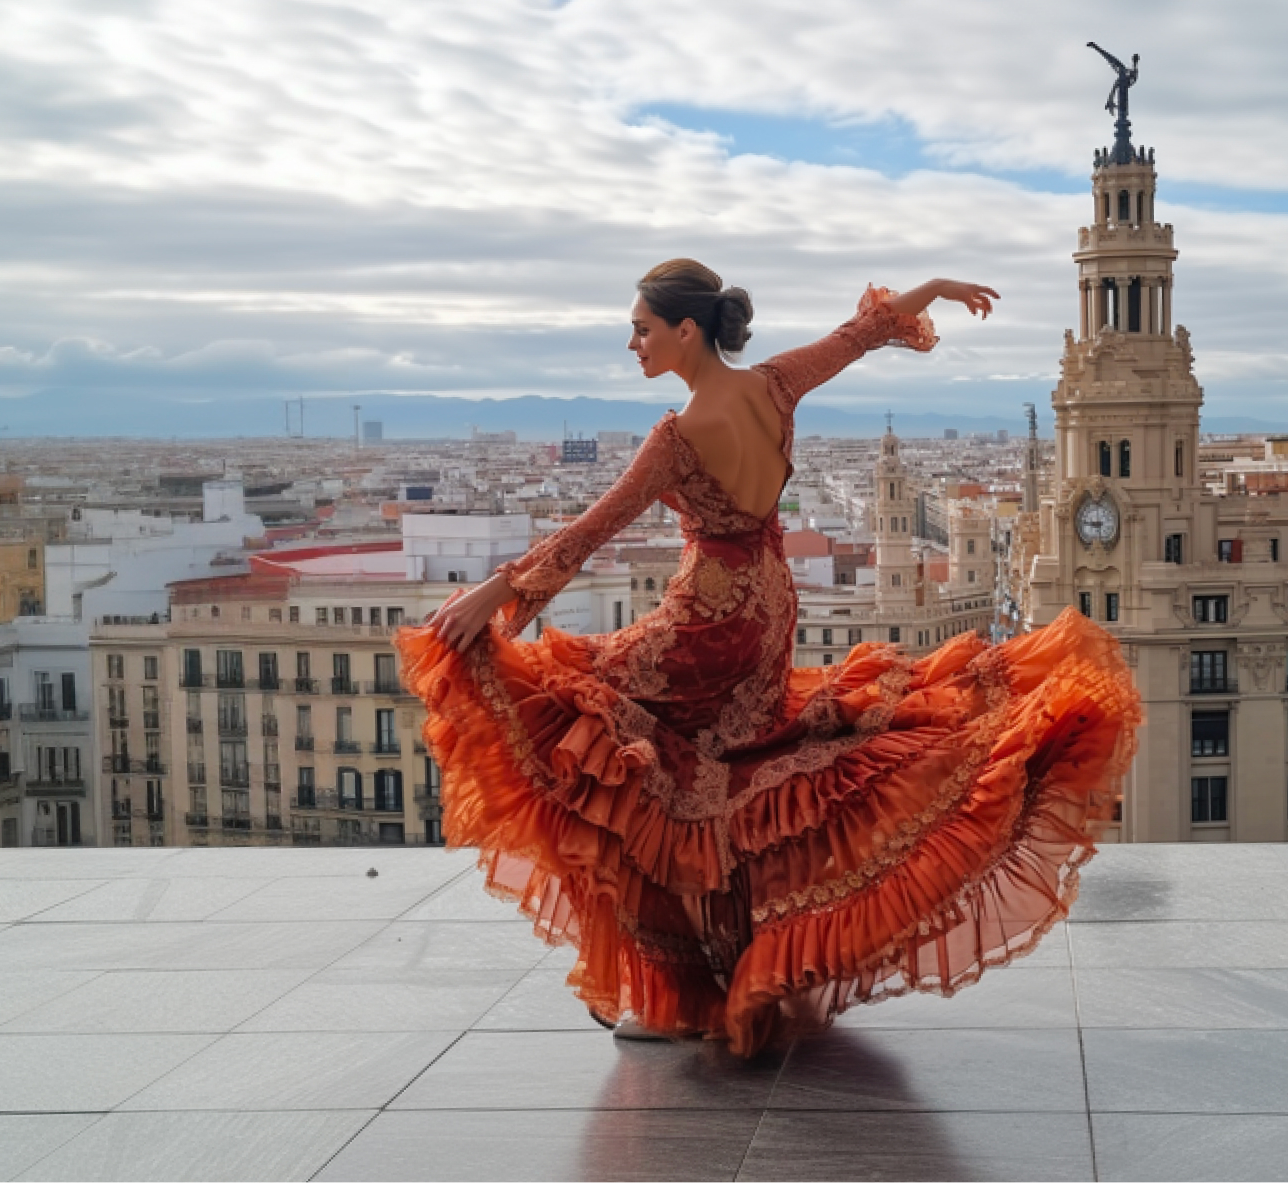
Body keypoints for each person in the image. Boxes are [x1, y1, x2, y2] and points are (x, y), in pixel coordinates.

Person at [395, 259, 1141, 1056]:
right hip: (767, 616)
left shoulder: (675, 437)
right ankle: (709, 969)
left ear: (686, 330)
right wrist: (931, 291)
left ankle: (673, 989)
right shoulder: (774, 385)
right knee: (718, 782)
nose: (632, 344)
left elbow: (590, 532)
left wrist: (494, 594)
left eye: (642, 329)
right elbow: (858, 336)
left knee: (607, 753)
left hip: (705, 623)